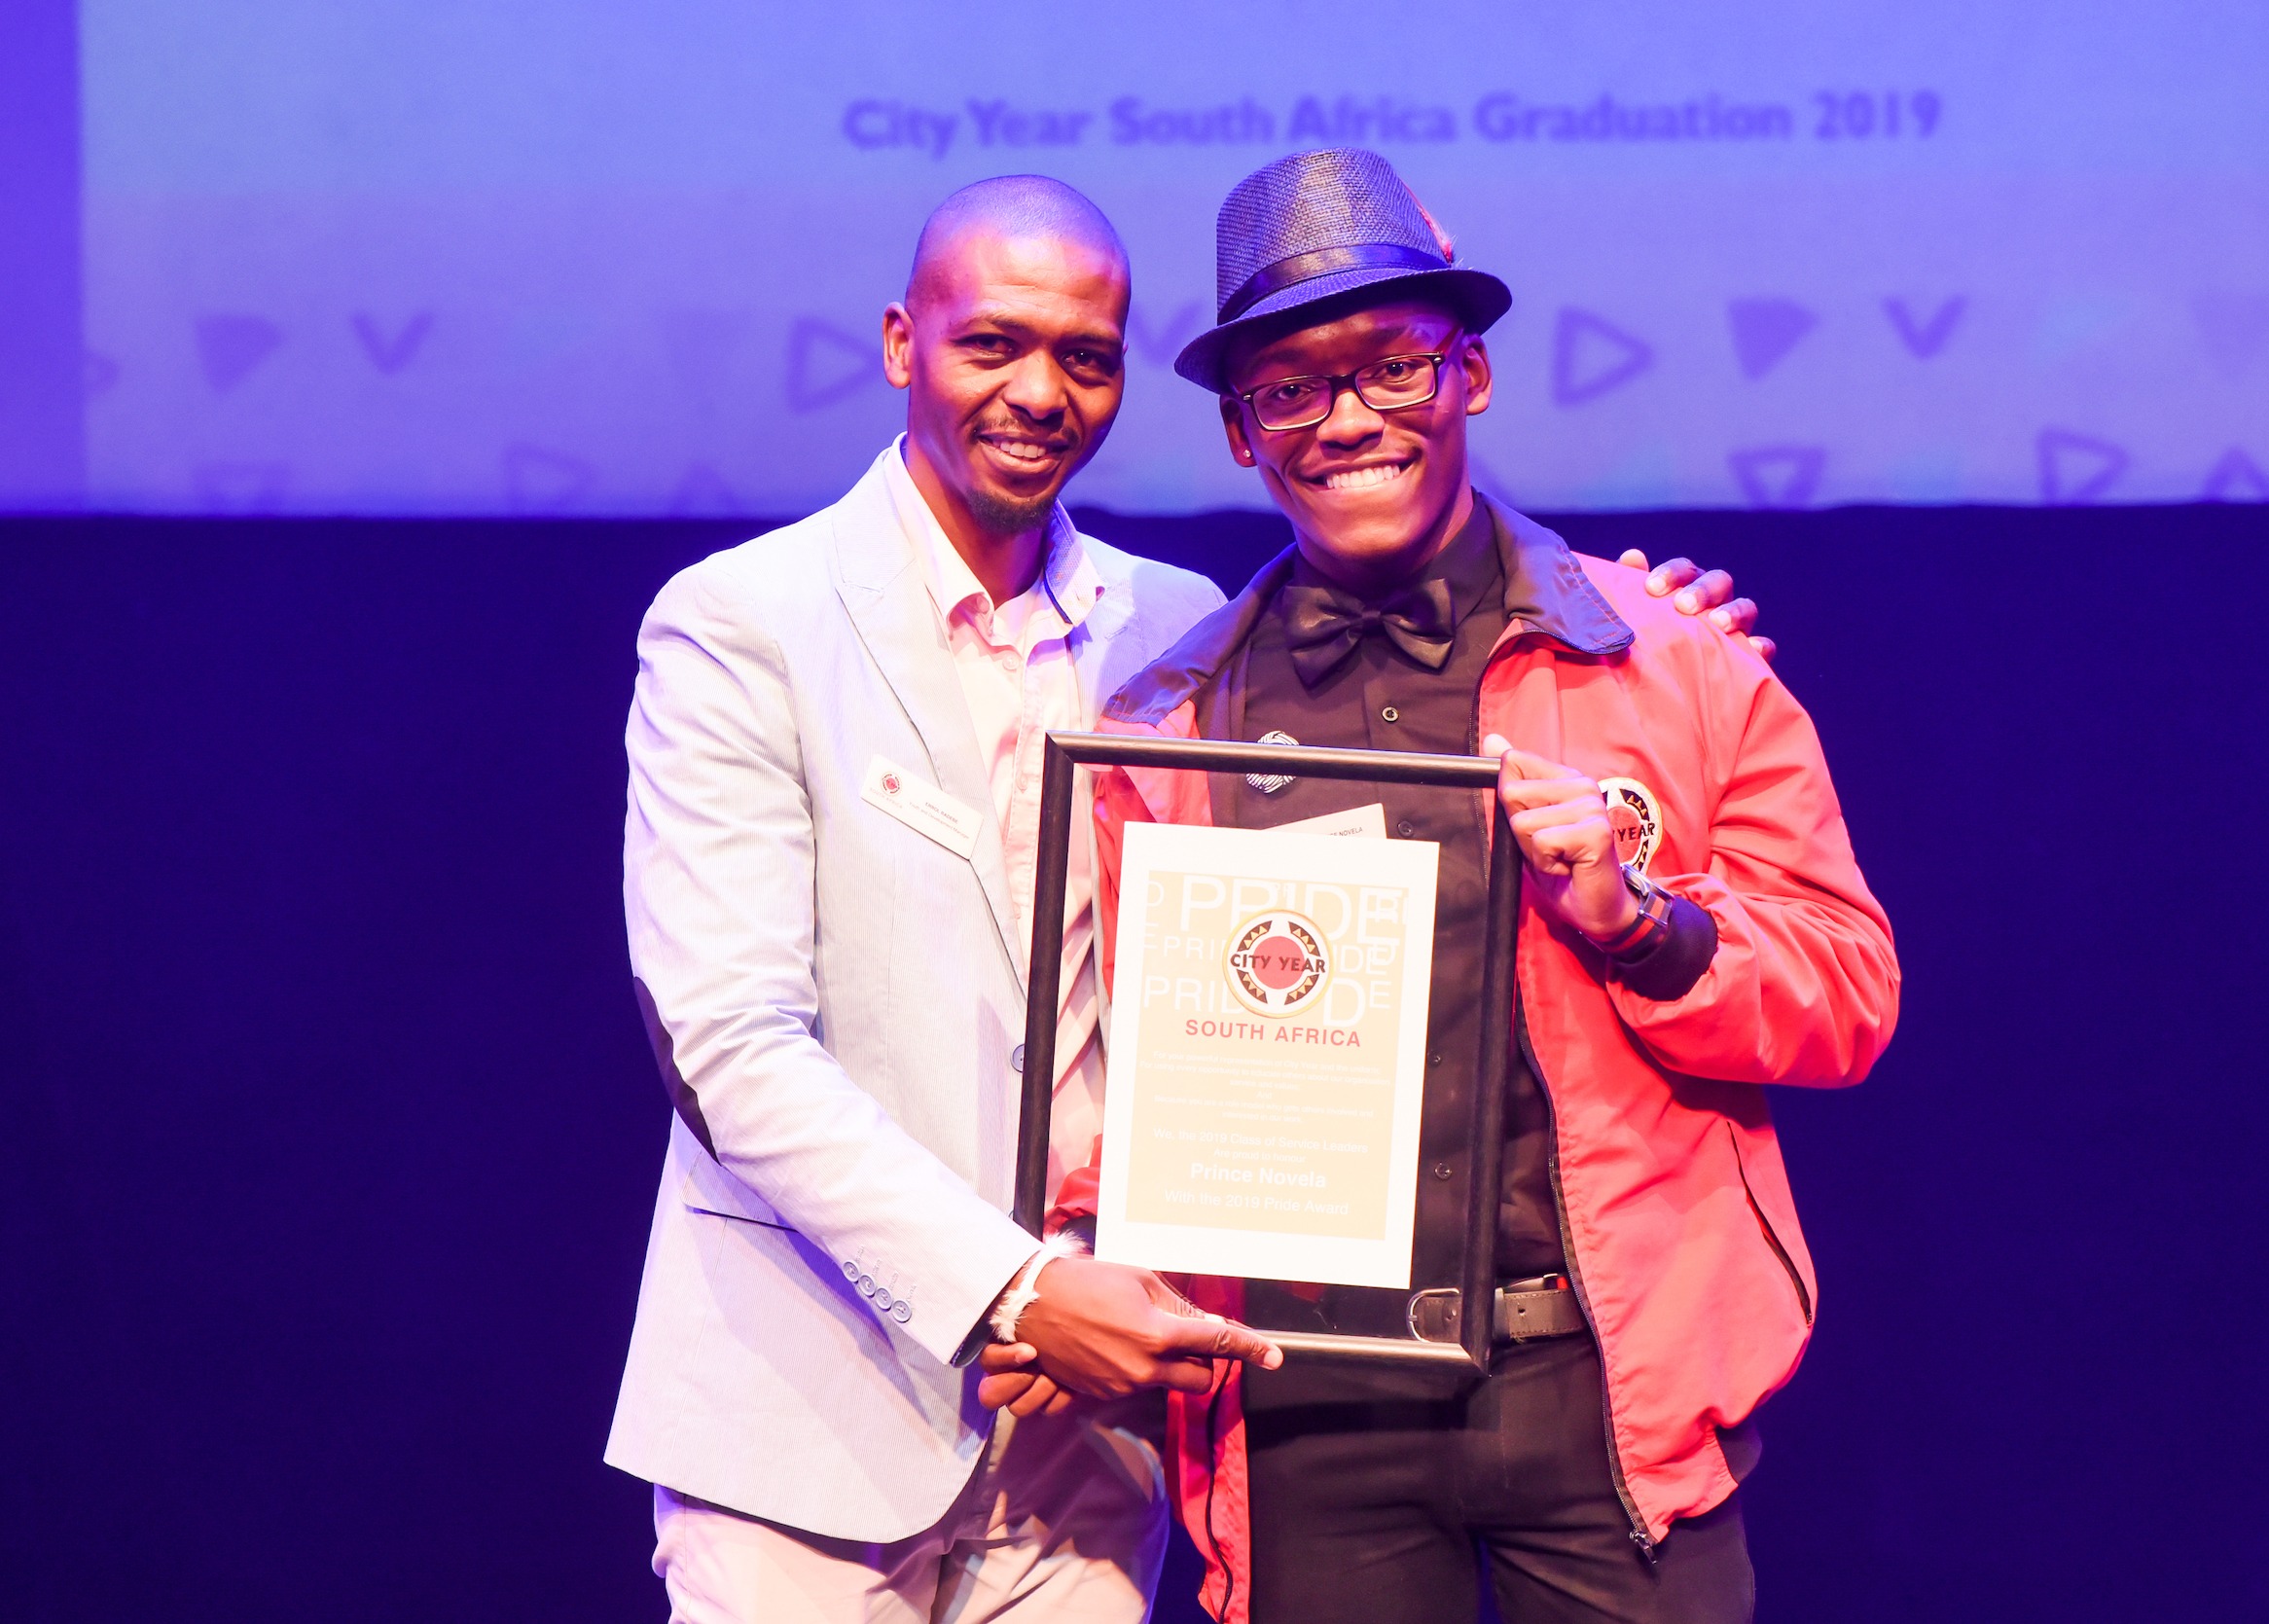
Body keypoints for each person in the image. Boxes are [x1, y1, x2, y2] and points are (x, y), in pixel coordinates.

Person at [607, 170, 1765, 1622]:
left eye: (1085, 358)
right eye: (992, 345)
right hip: (819, 1399)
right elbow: (726, 1040)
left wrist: (1648, 634)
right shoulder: (742, 623)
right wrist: (1011, 1287)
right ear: (905, 343)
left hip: (1095, 1436)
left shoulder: (1174, 637)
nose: (1039, 391)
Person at [1010, 148, 1900, 1623]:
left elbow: (1850, 994)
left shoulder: (1666, 660)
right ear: (1242, 435)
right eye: (1290, 387)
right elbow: (1139, 1080)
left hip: (1603, 1388)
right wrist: (1077, 1249)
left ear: (1470, 376)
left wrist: (1645, 926)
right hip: (1307, 1403)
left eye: (1393, 368)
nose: (1348, 418)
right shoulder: (1169, 725)